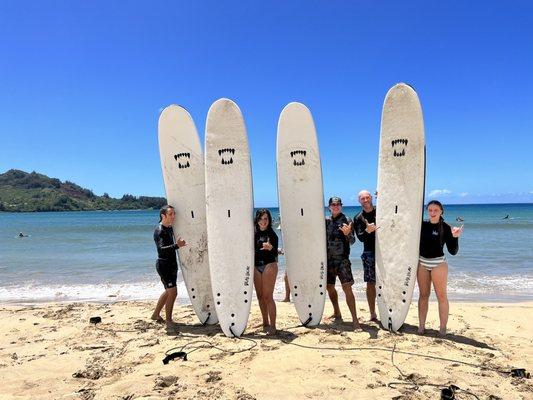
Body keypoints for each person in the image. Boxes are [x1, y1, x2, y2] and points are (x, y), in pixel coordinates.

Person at [418, 200, 463, 336]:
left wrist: (455, 237)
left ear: (441, 211)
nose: (432, 213)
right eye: (430, 210)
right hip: (422, 263)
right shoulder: (422, 225)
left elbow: (453, 251)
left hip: (438, 264)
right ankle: (421, 326)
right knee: (423, 295)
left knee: (441, 296)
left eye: (435, 210)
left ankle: (443, 328)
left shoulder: (446, 227)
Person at [325, 197, 361, 330]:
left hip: (342, 260)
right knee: (329, 287)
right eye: (333, 204)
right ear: (329, 206)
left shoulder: (347, 220)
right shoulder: (326, 221)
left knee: (347, 288)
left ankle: (355, 320)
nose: (335, 206)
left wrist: (348, 234)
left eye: (338, 204)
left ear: (341, 206)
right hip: (328, 261)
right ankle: (337, 312)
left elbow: (352, 241)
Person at [152, 205, 186, 333]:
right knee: (173, 293)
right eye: (170, 214)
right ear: (163, 216)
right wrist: (177, 245)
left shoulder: (169, 228)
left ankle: (155, 315)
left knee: (168, 292)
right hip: (164, 265)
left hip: (171, 264)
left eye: (174, 214)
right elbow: (161, 249)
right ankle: (169, 321)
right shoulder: (160, 230)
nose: (173, 216)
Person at [353, 190, 378, 322]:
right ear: (359, 201)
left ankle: (389, 310)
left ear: (371, 198)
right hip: (369, 252)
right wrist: (368, 230)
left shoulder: (381, 211)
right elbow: (361, 238)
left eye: (367, 197)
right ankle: (373, 313)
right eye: (362, 198)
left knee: (387, 282)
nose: (365, 200)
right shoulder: (358, 218)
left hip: (385, 251)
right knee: (370, 283)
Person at [253, 209, 279, 335]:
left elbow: (276, 255)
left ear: (269, 220)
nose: (263, 221)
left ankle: (273, 326)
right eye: (261, 219)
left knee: (268, 297)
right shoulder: (253, 234)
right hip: (256, 267)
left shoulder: (272, 235)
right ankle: (265, 323)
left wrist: (271, 248)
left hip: (269, 265)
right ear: (257, 220)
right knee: (260, 296)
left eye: (266, 219)